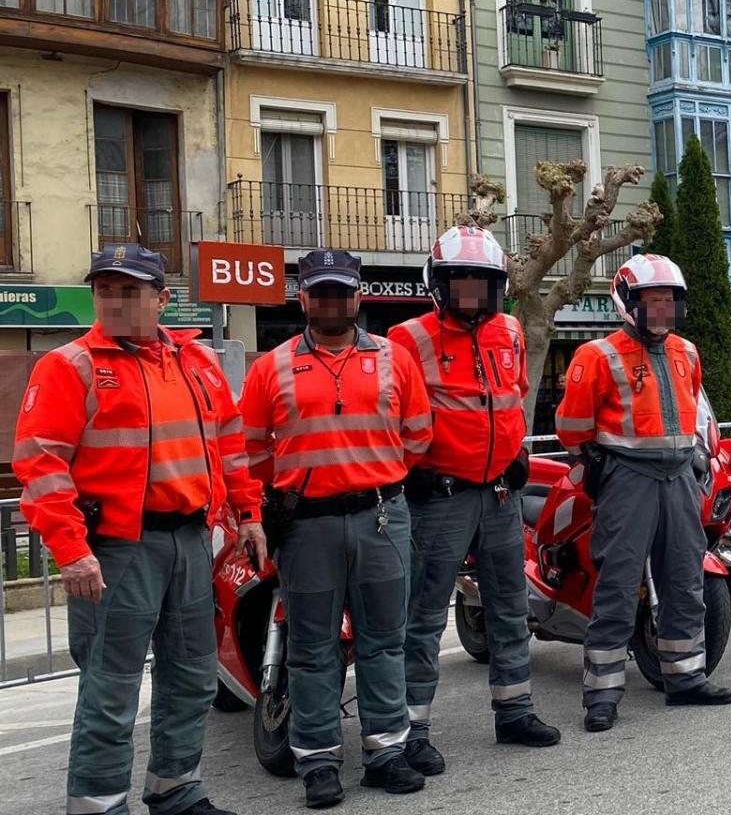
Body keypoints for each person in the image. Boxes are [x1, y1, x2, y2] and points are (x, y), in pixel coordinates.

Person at [14, 245, 262, 815]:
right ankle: (99, 804)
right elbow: (40, 462)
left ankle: (175, 789)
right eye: (106, 290)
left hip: (192, 541)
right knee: (111, 688)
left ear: (162, 299)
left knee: (194, 676)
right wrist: (72, 551)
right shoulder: (68, 365)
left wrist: (248, 516)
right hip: (117, 551)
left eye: (131, 290)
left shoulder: (195, 363)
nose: (117, 302)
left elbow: (230, 448)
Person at [241, 250, 432, 807]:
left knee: (383, 642)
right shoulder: (269, 367)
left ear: (357, 296)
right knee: (312, 647)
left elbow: (417, 436)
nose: (330, 302)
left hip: (380, 516)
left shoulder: (396, 359)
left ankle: (386, 752)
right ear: (303, 298)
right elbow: (251, 451)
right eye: (319, 292)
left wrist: (374, 475)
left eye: (340, 292)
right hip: (308, 526)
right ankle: (318, 761)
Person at [390, 228, 559, 774]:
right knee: (421, 614)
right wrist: (407, 472)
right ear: (438, 284)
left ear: (497, 287)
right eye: (459, 282)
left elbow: (508, 399)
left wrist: (516, 450)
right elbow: (392, 415)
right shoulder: (407, 338)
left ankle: (514, 711)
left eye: (481, 283)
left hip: (501, 492)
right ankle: (411, 729)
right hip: (439, 495)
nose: (470, 293)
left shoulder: (509, 329)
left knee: (510, 604)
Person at [555, 254, 731, 730]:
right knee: (616, 585)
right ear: (628, 303)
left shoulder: (687, 352)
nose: (661, 309)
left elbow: (694, 411)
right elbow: (572, 426)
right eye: (652, 301)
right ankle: (602, 693)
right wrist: (594, 465)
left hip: (678, 476)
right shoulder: (597, 355)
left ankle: (685, 676)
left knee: (685, 578)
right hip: (627, 479)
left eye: (668, 301)